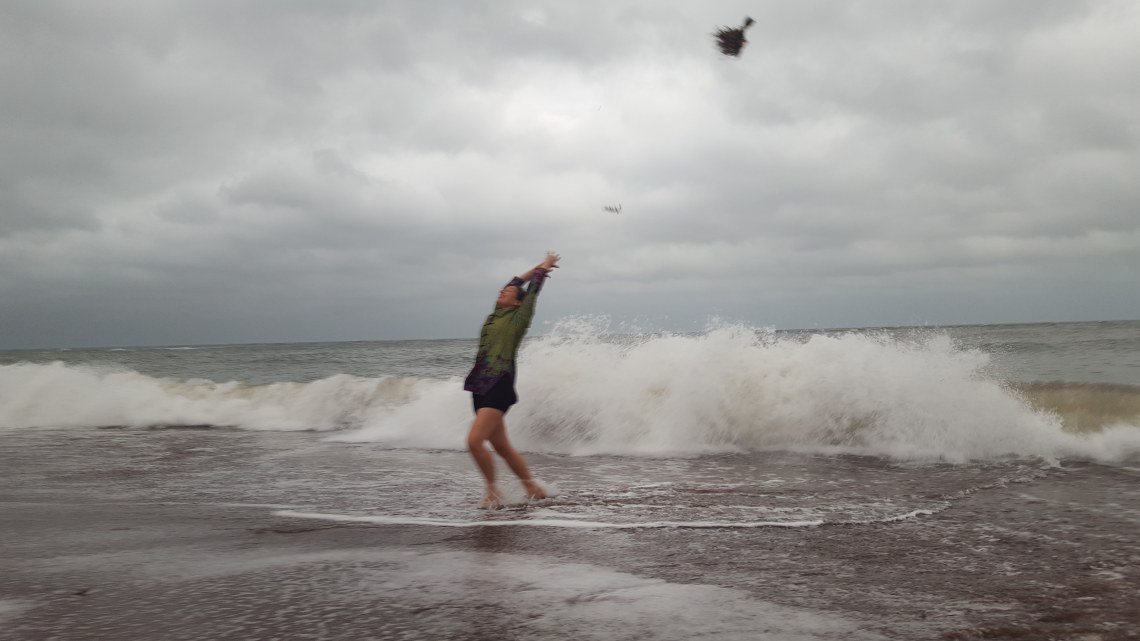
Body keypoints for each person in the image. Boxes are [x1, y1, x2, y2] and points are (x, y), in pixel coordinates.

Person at [463, 251, 561, 508]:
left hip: (500, 385)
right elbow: (516, 281)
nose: (502, 293)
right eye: (501, 292)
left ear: (519, 302)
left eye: (506, 294)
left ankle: (493, 491)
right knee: (502, 446)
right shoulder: (496, 314)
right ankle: (533, 487)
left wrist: (544, 270)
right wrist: (538, 266)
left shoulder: (520, 317)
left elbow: (531, 290)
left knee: (474, 441)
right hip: (479, 386)